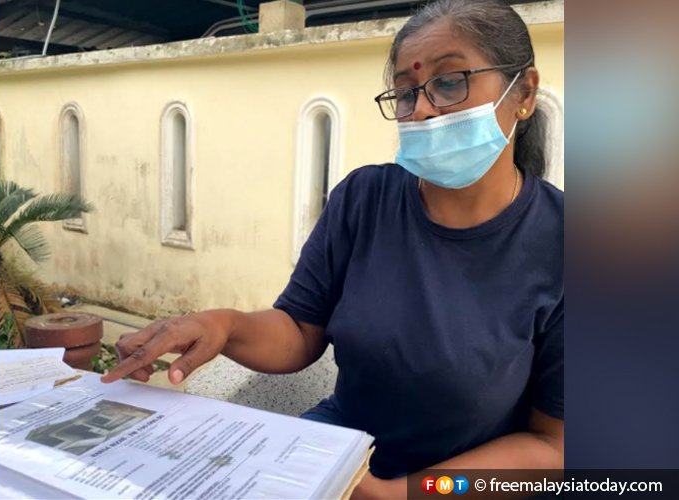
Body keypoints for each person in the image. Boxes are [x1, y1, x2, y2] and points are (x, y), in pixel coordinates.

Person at [102, 0, 564, 496]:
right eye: (406, 94)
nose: (423, 108)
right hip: (333, 453)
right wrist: (225, 326)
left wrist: (403, 493)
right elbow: (301, 330)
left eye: (450, 82)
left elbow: (552, 447)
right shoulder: (364, 199)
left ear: (525, 92)